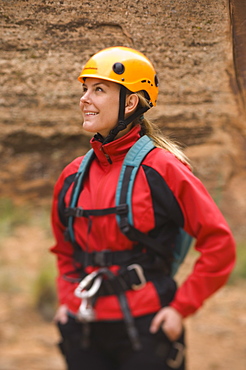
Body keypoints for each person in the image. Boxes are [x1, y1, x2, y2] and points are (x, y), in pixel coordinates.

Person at [50, 46, 236, 370]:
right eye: (84, 89)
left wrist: (180, 308)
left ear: (131, 101)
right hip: (84, 331)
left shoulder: (163, 169)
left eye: (98, 89)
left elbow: (219, 243)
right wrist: (67, 302)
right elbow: (66, 250)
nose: (84, 99)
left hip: (148, 329)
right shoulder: (72, 176)